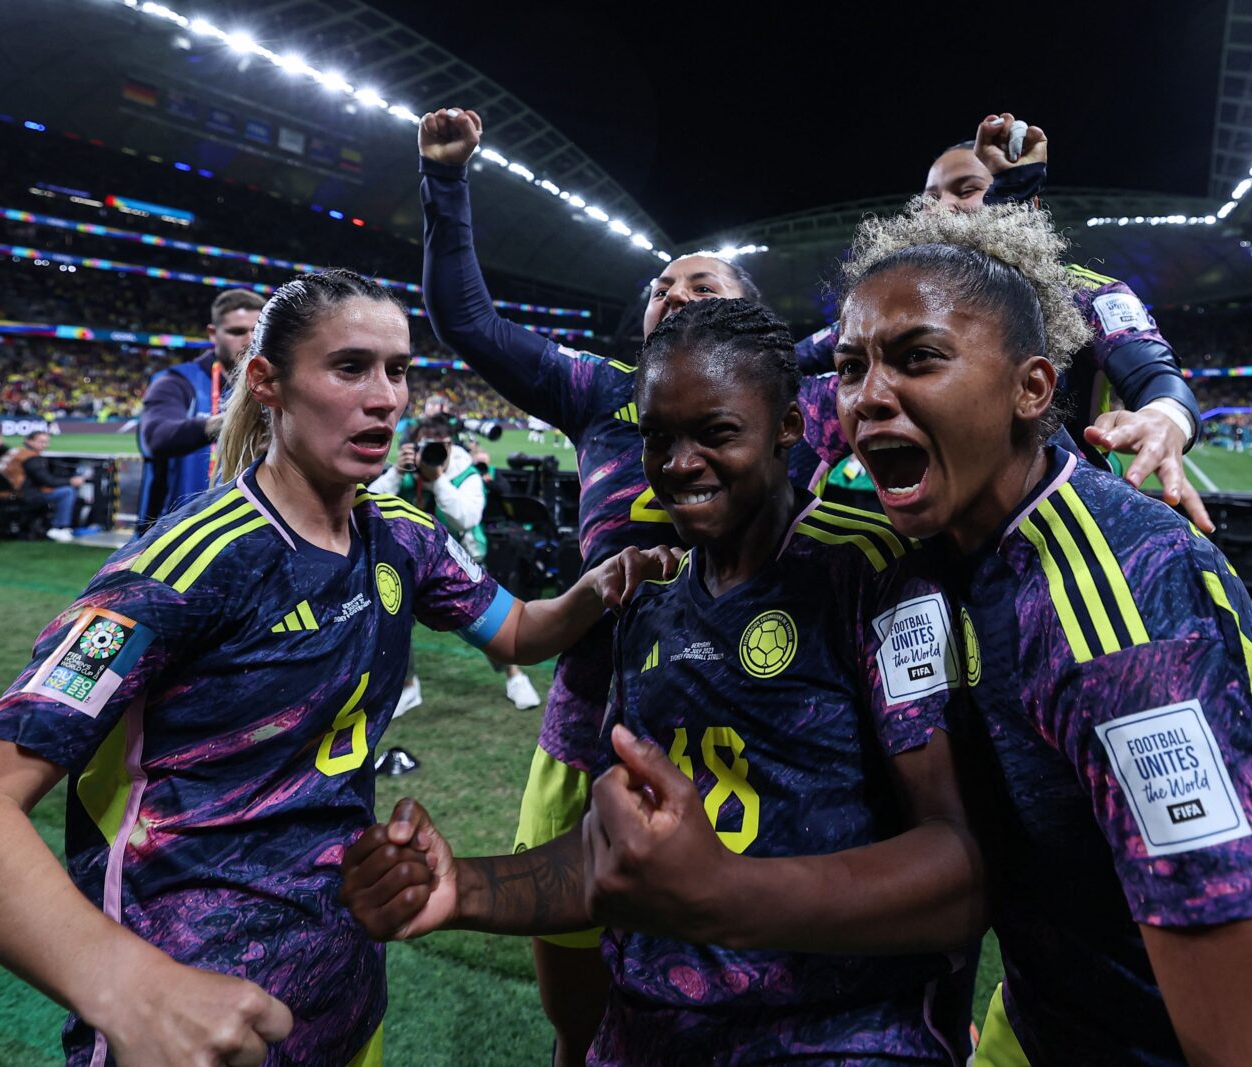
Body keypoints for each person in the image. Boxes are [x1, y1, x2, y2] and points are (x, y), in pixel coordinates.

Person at [0, 269, 677, 1067]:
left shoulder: (402, 535)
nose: (386, 398)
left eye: (399, 369)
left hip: (346, 999)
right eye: (350, 367)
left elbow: (516, 632)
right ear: (267, 382)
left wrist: (593, 589)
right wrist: (126, 982)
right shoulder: (184, 566)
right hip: (195, 1022)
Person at [341, 298, 985, 1064]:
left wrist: (727, 893)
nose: (679, 464)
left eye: (715, 432)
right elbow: (613, 859)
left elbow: (962, 870)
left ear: (789, 427)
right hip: (647, 1037)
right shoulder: (649, 601)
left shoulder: (874, 572)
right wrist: (462, 888)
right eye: (657, 437)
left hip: (834, 1039)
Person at [830, 203, 1252, 1065]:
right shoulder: (928, 554)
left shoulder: (1122, 610)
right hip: (1046, 1011)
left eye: (917, 358)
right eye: (849, 365)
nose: (867, 397)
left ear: (1034, 388)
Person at [417, 106, 858, 1062]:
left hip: (758, 717)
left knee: (740, 975)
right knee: (578, 1008)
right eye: (660, 287)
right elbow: (469, 322)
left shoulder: (811, 392)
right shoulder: (601, 392)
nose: (672, 293)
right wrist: (447, 185)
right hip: (590, 719)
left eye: (699, 283)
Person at [799, 112, 1210, 531]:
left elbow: (1154, 374)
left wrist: (1165, 418)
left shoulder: (1084, 293)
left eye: (968, 189)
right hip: (936, 532)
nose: (943, 208)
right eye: (929, 198)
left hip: (1064, 530)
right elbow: (789, 361)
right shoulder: (892, 314)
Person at [370, 413, 543, 712]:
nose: (436, 452)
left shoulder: (466, 473)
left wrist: (438, 480)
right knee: (394, 622)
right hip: (410, 560)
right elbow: (370, 504)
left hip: (460, 560)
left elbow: (465, 518)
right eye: (427, 445)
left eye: (442, 446)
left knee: (482, 622)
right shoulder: (407, 471)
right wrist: (397, 473)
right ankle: (409, 686)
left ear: (452, 445)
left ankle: (514, 675)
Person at [136, 288, 265, 531]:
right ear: (213, 334)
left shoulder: (272, 387)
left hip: (242, 533)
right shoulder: (177, 382)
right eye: (237, 331)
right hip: (170, 537)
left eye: (256, 331)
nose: (249, 340)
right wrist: (238, 421)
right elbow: (155, 437)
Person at [0, 429, 84, 543]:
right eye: (41, 442)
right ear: (29, 441)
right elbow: (47, 481)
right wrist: (71, 481)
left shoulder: (15, 451)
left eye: (47, 442)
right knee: (67, 492)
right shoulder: (30, 458)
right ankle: (60, 528)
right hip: (20, 495)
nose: (45, 445)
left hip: (3, 492)